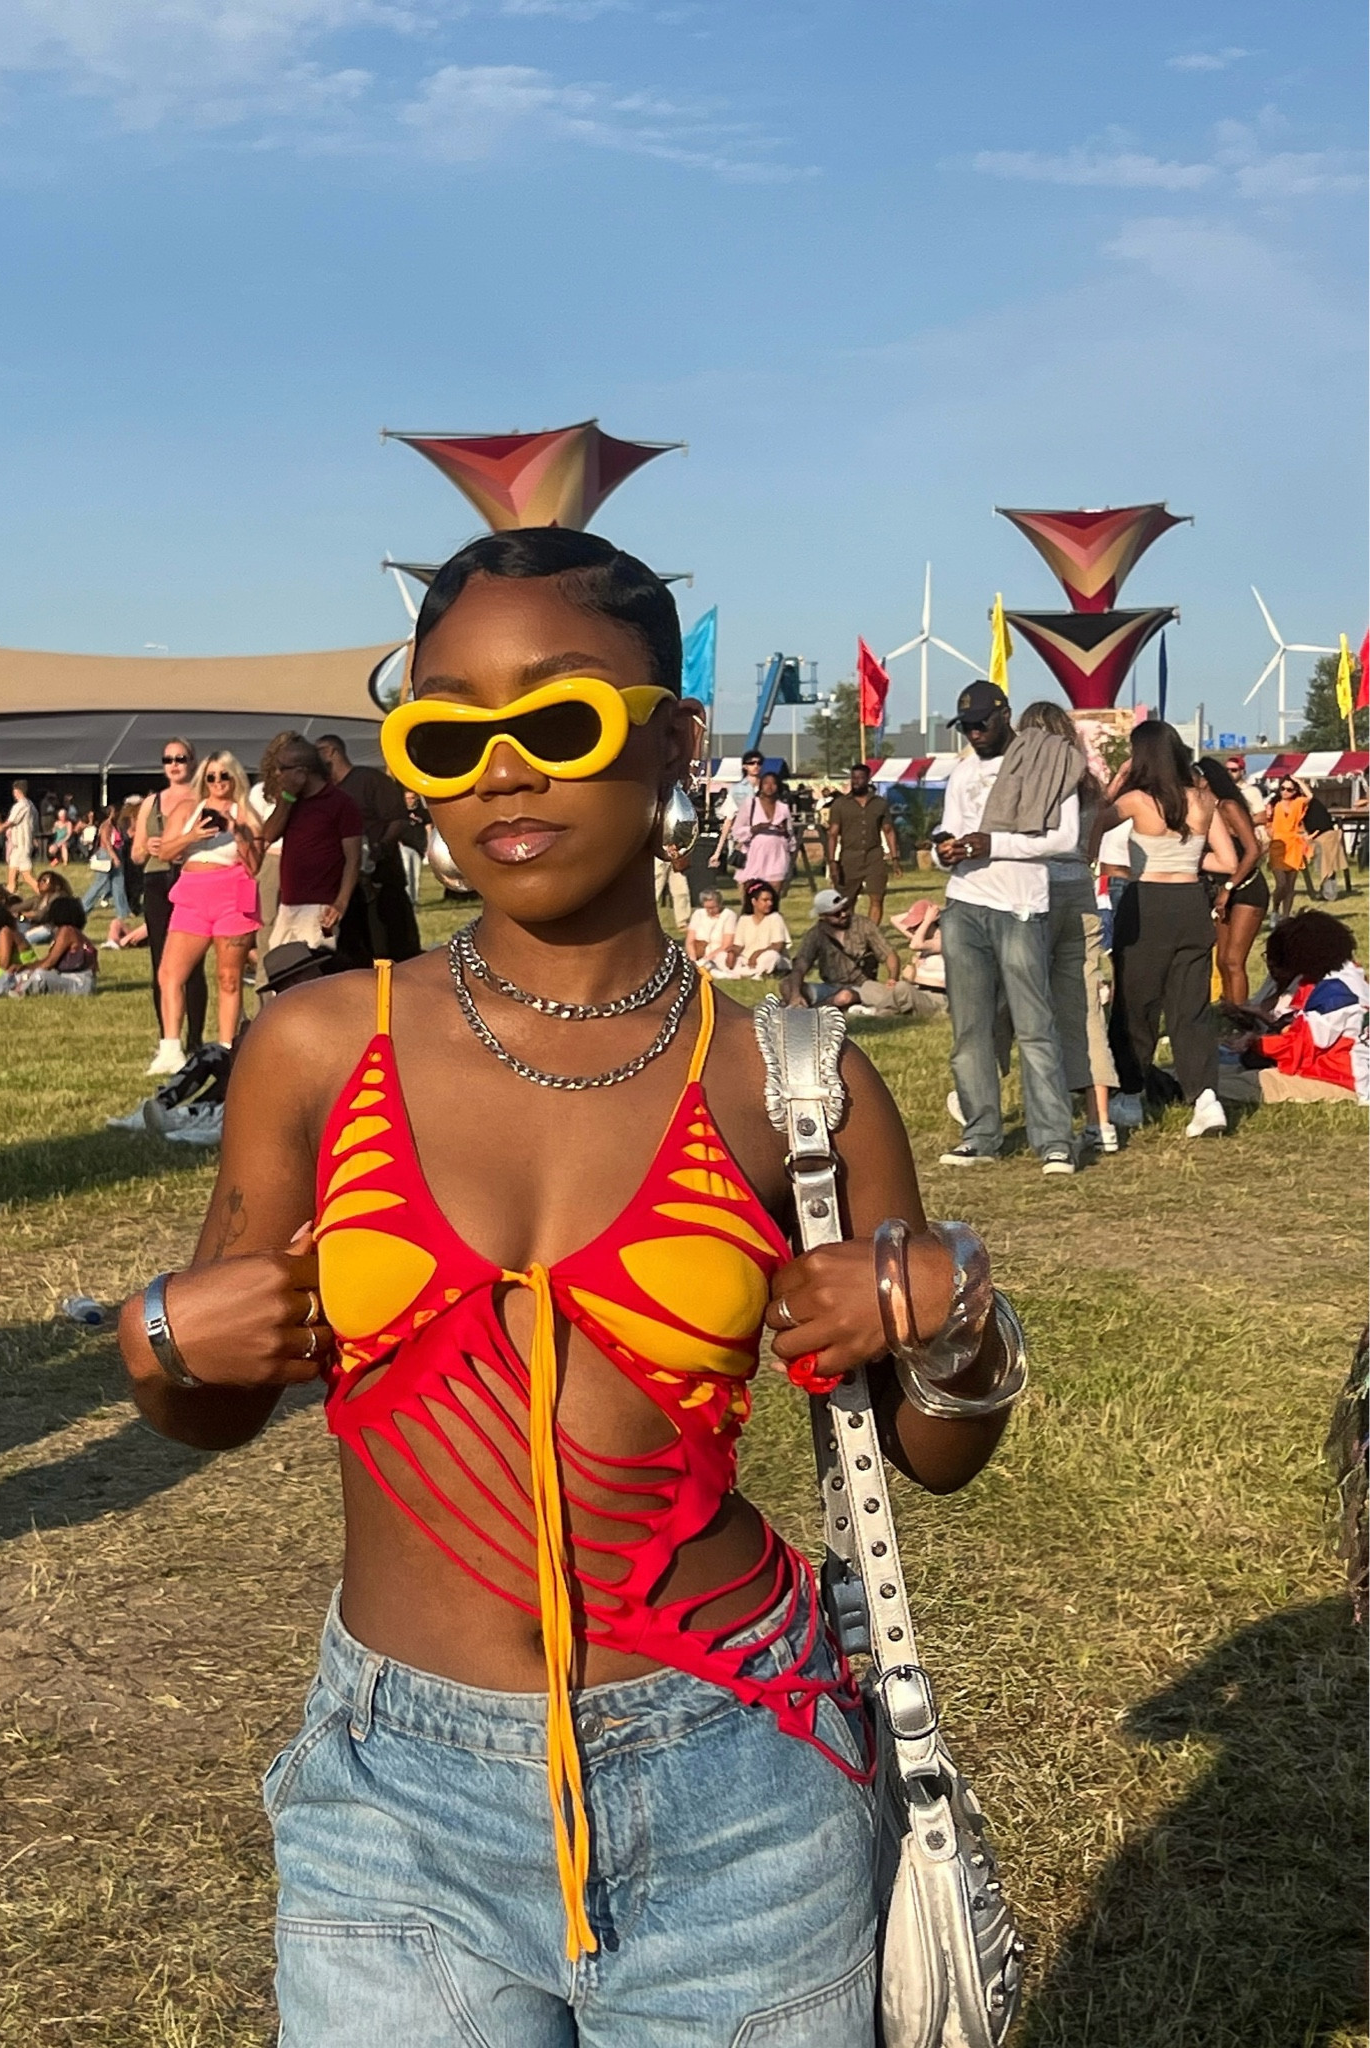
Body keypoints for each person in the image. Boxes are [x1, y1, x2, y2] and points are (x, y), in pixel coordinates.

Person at [116, 524, 1021, 2045]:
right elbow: (206, 1402)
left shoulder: (789, 1084)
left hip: (736, 1781)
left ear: (672, 740)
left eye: (557, 721)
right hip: (392, 1798)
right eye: (447, 732)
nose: (502, 774)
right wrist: (157, 1340)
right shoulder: (319, 1046)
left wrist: (951, 1317)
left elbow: (931, 1455)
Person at [932, 680, 1081, 1175]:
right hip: (964, 904)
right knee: (969, 1030)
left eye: (981, 723)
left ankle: (1054, 1139)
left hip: (1020, 905)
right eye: (966, 726)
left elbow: (1064, 838)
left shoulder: (1048, 763)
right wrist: (944, 851)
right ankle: (980, 1133)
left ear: (1006, 715)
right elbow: (950, 834)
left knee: (1035, 1027)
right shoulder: (961, 772)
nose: (974, 733)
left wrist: (990, 845)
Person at [1105, 721, 1236, 1138]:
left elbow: (1090, 824)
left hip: (1147, 904)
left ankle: (1129, 1095)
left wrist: (1118, 779)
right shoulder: (1203, 800)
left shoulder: (1136, 800)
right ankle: (1206, 1100)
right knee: (1191, 1008)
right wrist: (1189, 859)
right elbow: (1228, 861)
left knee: (1136, 1005)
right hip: (1190, 905)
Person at [1016, 702, 1122, 1156]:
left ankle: (1043, 1109)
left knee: (1028, 1005)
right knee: (1085, 1007)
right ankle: (1102, 1121)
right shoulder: (1089, 784)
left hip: (1035, 891)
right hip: (1080, 888)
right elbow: (1097, 839)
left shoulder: (1028, 780)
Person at [152, 751, 262, 1068]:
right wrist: (192, 835)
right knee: (170, 973)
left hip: (232, 893)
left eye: (223, 776)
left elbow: (254, 866)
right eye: (211, 776)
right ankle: (170, 1049)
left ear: (235, 778)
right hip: (192, 894)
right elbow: (166, 853)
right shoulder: (189, 808)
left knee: (229, 977)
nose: (217, 783)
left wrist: (238, 832)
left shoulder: (246, 814)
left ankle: (225, 1049)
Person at [1220, 910, 1368, 1105]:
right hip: (1344, 1070)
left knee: (1246, 1084)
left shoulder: (1335, 993)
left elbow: (1298, 1050)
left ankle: (1179, 1087)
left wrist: (1257, 1044)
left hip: (1343, 1079)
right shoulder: (1350, 977)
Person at [133, 739, 210, 1073]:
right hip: (157, 881)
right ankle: (168, 1038)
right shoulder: (152, 803)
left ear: (192, 762)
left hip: (193, 880)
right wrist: (148, 846)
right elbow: (135, 854)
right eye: (168, 759)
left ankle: (195, 1038)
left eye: (181, 758)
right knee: (161, 965)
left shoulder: (204, 799)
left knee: (192, 966)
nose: (174, 764)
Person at [315, 731, 421, 963]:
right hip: (348, 885)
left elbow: (399, 819)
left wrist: (380, 846)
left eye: (318, 752)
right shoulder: (327, 792)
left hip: (383, 878)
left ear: (331, 751)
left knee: (394, 948)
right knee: (356, 952)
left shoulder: (370, 780)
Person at [258, 734, 363, 958]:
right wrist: (287, 798)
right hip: (288, 905)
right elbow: (268, 834)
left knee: (313, 974)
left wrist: (340, 904)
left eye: (282, 768)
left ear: (301, 772)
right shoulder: (289, 801)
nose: (277, 774)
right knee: (281, 970)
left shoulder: (341, 803)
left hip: (320, 907)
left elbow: (353, 859)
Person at [782, 886, 943, 1018]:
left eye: (845, 909)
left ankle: (812, 1012)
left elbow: (889, 954)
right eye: (836, 913)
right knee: (787, 985)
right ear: (823, 916)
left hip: (860, 986)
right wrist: (796, 994)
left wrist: (892, 977)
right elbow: (801, 965)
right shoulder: (815, 934)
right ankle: (801, 1006)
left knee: (845, 996)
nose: (843, 914)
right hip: (830, 985)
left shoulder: (863, 925)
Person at [1196, 757, 1268, 1006]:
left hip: (1247, 889)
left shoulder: (1229, 807)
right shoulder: (1205, 811)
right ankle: (1230, 1012)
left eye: (1195, 778)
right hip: (1222, 891)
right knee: (1222, 960)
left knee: (1234, 961)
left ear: (1206, 780)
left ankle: (1242, 1018)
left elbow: (1253, 850)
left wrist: (1228, 887)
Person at [826, 763, 900, 926]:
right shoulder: (840, 804)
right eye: (854, 778)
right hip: (849, 857)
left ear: (868, 779)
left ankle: (871, 934)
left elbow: (889, 831)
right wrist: (832, 862)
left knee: (877, 897)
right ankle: (851, 933)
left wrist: (895, 859)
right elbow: (832, 834)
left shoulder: (879, 803)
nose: (856, 782)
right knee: (846, 902)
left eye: (860, 778)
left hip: (874, 856)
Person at [13, 897, 99, 996]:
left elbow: (49, 963)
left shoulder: (67, 931)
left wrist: (28, 970)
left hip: (79, 982)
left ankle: (18, 990)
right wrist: (26, 967)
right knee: (27, 973)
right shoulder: (73, 932)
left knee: (39, 975)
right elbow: (48, 960)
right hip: (79, 981)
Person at [729, 770, 795, 895]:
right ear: (761, 785)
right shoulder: (751, 804)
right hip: (753, 856)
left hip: (777, 856)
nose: (769, 787)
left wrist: (785, 832)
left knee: (773, 897)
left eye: (773, 784)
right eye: (766, 783)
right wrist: (754, 828)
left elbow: (790, 836)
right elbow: (736, 831)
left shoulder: (783, 807)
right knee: (750, 897)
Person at [713, 877, 792, 978]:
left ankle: (739, 974)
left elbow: (778, 945)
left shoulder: (775, 918)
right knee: (721, 956)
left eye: (771, 900)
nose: (770, 903)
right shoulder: (744, 919)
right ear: (754, 902)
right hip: (746, 959)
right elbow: (738, 945)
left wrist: (757, 953)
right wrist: (732, 953)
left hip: (766, 958)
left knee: (771, 956)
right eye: (765, 900)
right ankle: (747, 973)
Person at [1266, 775, 1313, 922]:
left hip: (1293, 845)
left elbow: (1310, 796)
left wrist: (1299, 781)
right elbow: (1267, 823)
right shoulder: (1274, 804)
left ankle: (1285, 917)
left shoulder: (1298, 803)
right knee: (1281, 884)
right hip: (1278, 844)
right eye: (1283, 788)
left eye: (1289, 789)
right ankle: (1275, 908)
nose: (1285, 792)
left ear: (1295, 791)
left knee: (1290, 886)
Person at [711, 749, 764, 871]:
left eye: (758, 763)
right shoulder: (736, 790)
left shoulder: (769, 787)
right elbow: (728, 821)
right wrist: (717, 852)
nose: (755, 766)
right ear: (745, 766)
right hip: (746, 841)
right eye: (751, 763)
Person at [684, 885, 737, 970]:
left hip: (719, 954)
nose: (710, 911)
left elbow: (727, 944)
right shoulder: (698, 914)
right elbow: (690, 941)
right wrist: (693, 959)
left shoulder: (729, 915)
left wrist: (707, 958)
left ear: (719, 904)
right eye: (707, 908)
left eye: (713, 908)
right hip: (699, 954)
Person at [3, 779, 37, 895]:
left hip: (21, 846)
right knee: (12, 877)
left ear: (17, 791)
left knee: (27, 877)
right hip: (21, 846)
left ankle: (46, 897)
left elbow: (10, 822)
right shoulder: (31, 805)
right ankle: (10, 897)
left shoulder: (21, 806)